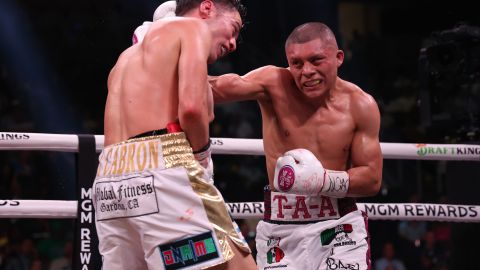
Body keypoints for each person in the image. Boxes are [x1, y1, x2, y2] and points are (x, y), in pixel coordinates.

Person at [92, 1, 257, 269]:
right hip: (163, 167)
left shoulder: (126, 57)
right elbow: (192, 109)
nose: (233, 42)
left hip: (109, 180)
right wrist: (202, 155)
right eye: (233, 29)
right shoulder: (192, 28)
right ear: (207, 8)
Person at [210, 22, 383, 269]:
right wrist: (165, 50)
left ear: (339, 58)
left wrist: (323, 180)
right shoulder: (274, 84)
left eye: (316, 60)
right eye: (297, 63)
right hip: (281, 230)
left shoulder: (360, 105)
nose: (307, 71)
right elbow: (215, 88)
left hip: (338, 226)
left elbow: (372, 179)